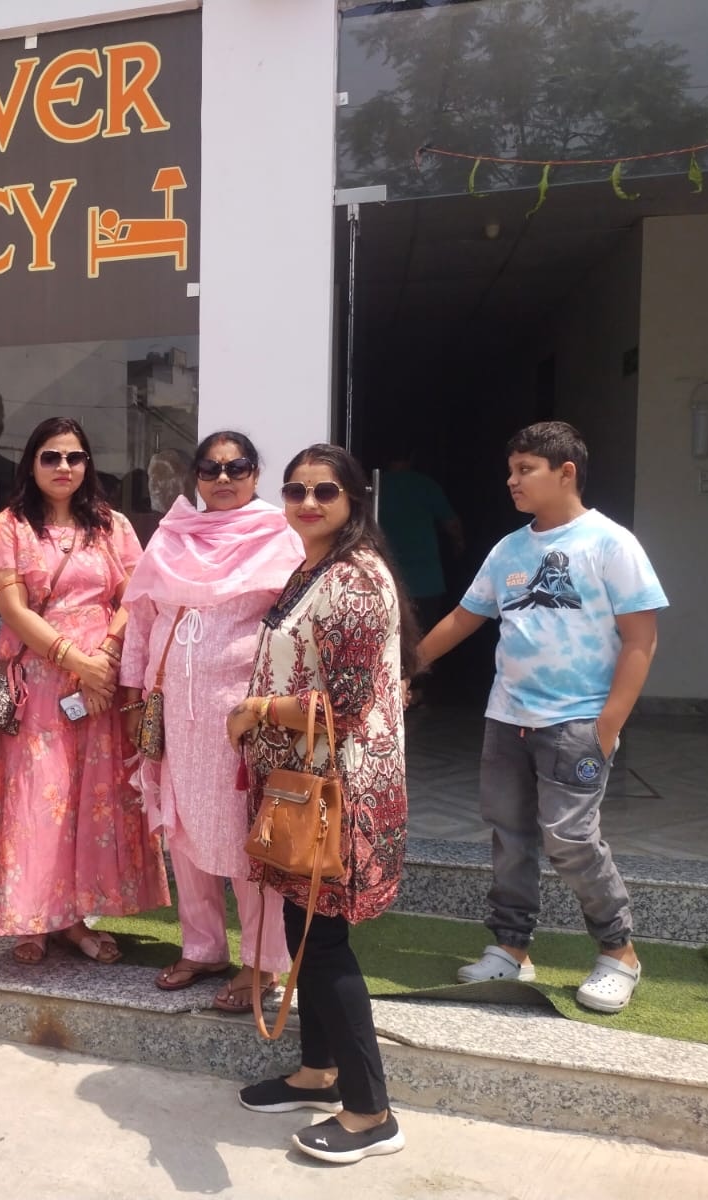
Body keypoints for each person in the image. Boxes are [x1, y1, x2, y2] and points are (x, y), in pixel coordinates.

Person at [416, 421, 666, 1014]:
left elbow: (641, 640)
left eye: (525, 469)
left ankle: (619, 953)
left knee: (571, 840)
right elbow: (466, 617)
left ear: (565, 472)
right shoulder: (508, 549)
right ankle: (510, 948)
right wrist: (407, 666)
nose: (512, 481)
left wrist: (607, 726)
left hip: (577, 722)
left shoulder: (610, 544)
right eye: (511, 470)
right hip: (507, 718)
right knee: (510, 836)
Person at [226, 443, 416, 1165]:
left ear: (353, 499)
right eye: (296, 490)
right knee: (304, 928)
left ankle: (371, 1113)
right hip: (302, 785)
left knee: (325, 941)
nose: (307, 502)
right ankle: (318, 1071)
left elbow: (345, 705)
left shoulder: (357, 580)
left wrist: (255, 711)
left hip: (340, 792)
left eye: (324, 491)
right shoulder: (315, 568)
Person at [0, 417, 170, 964]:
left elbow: (136, 596)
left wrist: (106, 660)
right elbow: (12, 610)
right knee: (38, 800)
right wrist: (77, 663)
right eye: (50, 456)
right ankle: (31, 917)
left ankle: (76, 920)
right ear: (31, 463)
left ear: (87, 465)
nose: (63, 467)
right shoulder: (8, 527)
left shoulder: (112, 525)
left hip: (102, 684)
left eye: (74, 457)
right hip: (39, 688)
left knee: (90, 801)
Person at [119, 432, 304, 1011]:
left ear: (255, 474)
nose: (223, 478)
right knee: (183, 832)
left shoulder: (279, 536)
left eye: (236, 467)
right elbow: (143, 619)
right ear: (196, 476)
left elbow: (296, 628)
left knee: (246, 840)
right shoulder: (173, 535)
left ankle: (262, 962)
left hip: (242, 718)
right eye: (210, 468)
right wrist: (136, 694)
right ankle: (202, 948)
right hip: (176, 713)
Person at [377, 450, 464, 702]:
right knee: (424, 633)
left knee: (389, 633)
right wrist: (459, 546)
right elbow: (451, 522)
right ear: (412, 458)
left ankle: (389, 687)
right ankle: (416, 690)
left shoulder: (377, 486)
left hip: (386, 574)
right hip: (425, 575)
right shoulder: (425, 485)